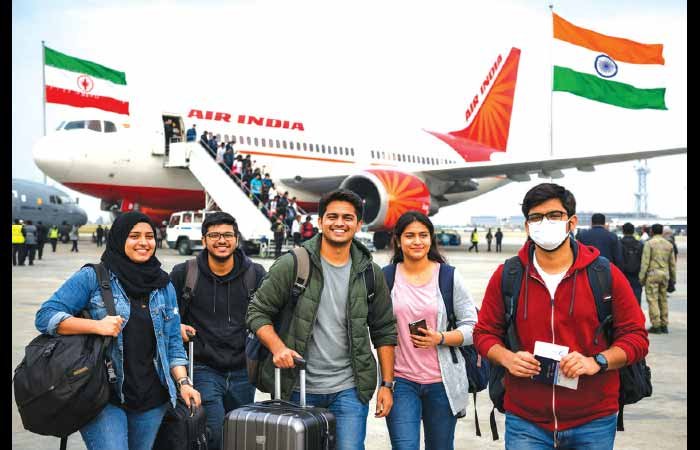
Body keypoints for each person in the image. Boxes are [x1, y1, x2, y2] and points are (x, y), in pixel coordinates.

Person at [473, 183, 648, 449]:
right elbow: (484, 333)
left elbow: (636, 337)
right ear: (527, 226)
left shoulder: (604, 274)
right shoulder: (508, 275)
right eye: (536, 217)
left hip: (592, 420)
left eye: (554, 215)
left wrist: (598, 361)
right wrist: (507, 357)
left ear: (571, 222)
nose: (545, 223)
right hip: (526, 421)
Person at [34, 212, 201, 450]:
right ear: (119, 238)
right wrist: (97, 326)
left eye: (149, 236)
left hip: (152, 399)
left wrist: (184, 383)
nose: (144, 242)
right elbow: (45, 315)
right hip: (102, 396)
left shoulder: (164, 286)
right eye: (134, 236)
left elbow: (173, 343)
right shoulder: (93, 277)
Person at [246, 189, 397, 450]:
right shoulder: (293, 264)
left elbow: (384, 329)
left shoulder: (370, 273)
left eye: (348, 218)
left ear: (359, 224)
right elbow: (257, 312)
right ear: (320, 221)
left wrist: (387, 384)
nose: (340, 223)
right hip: (296, 386)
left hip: (350, 389)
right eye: (333, 216)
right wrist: (278, 347)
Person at [170, 212, 266, 450]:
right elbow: (165, 313)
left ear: (236, 239)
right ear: (203, 240)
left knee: (239, 434)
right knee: (213, 432)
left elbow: (270, 313)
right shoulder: (184, 273)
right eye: (214, 235)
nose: (221, 240)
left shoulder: (256, 274)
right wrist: (176, 325)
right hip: (204, 367)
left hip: (244, 369)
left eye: (227, 235)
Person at [383, 211, 477, 450]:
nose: (417, 241)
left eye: (423, 235)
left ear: (431, 239)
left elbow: (473, 327)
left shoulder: (448, 276)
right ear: (398, 240)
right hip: (401, 381)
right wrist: (385, 384)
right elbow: (376, 328)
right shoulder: (387, 277)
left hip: (442, 383)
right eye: (410, 235)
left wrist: (441, 337)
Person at [639, 224, 677, 334]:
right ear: (661, 232)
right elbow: (672, 264)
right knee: (663, 299)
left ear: (652, 231)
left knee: (652, 299)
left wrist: (641, 277)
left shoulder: (649, 243)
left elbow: (645, 262)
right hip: (665, 275)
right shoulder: (669, 244)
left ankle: (656, 325)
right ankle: (664, 324)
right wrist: (673, 278)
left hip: (653, 274)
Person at [620, 222, 644, 305]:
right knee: (636, 297)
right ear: (633, 231)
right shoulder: (640, 244)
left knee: (623, 297)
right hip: (636, 274)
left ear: (623, 231)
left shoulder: (619, 244)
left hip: (623, 274)